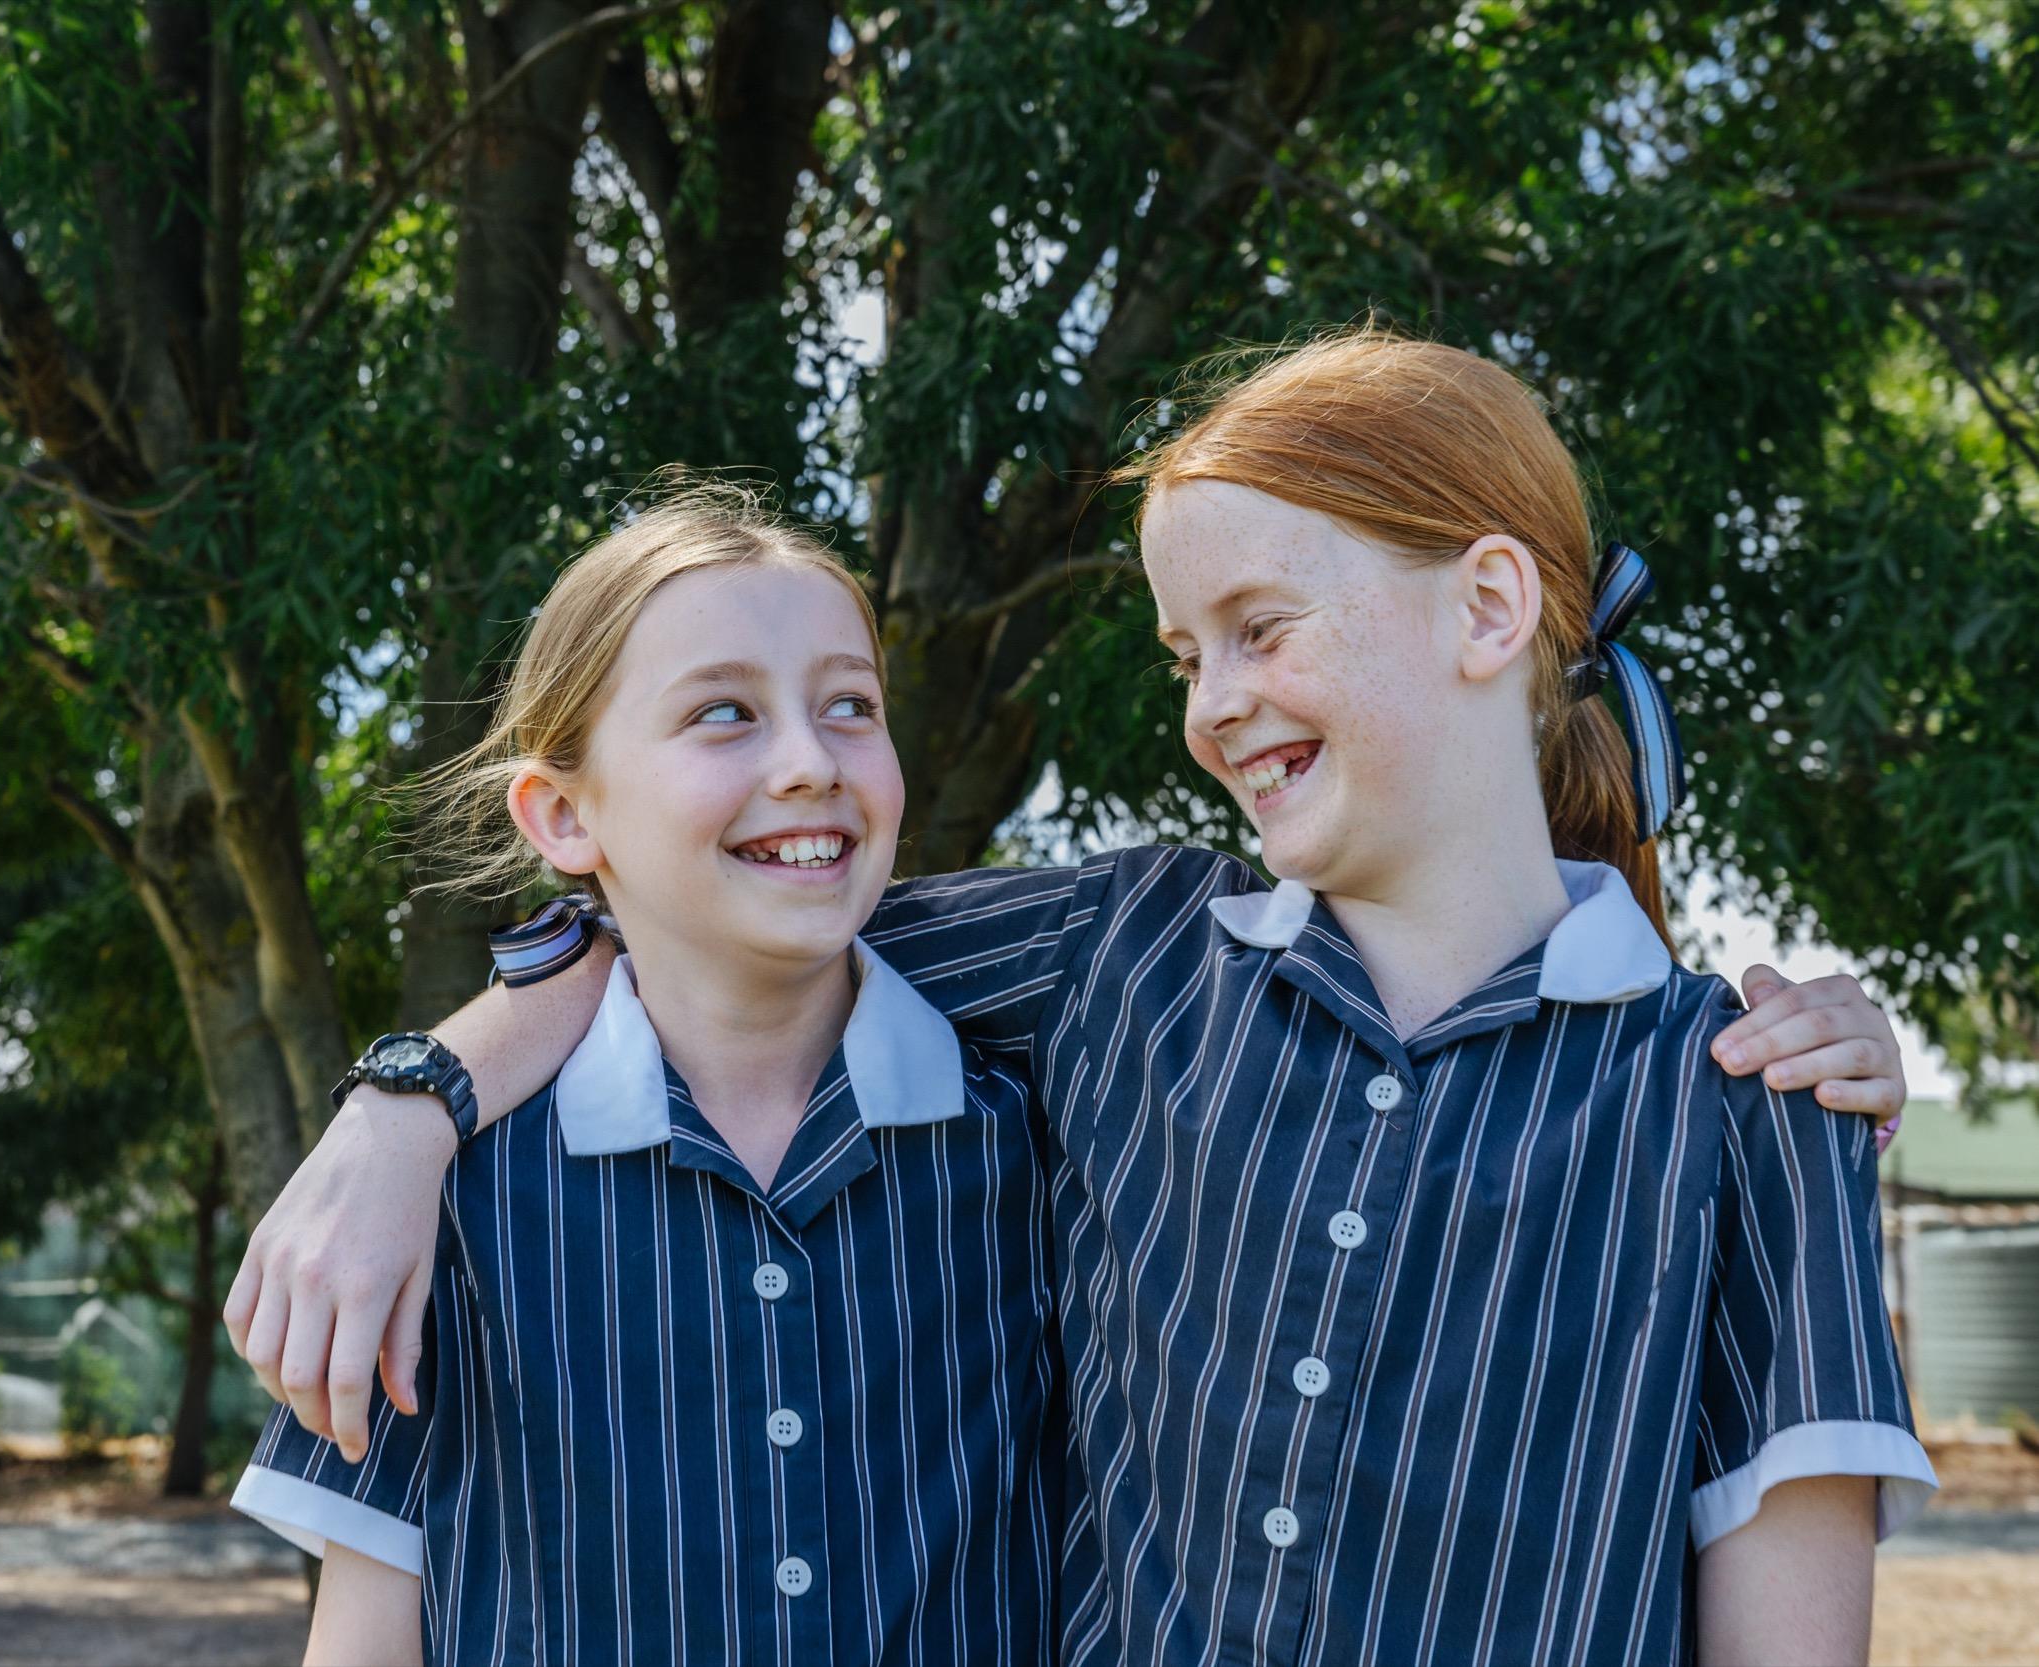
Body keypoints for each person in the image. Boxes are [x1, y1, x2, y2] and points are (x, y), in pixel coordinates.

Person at [230, 332, 1931, 1662]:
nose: (1212, 706)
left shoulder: (1744, 1101)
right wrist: (411, 1105)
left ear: (1489, 606)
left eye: (1260, 626)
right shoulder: (1121, 957)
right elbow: (716, 918)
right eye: (1188, 654)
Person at [228, 488, 1072, 1666]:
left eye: (850, 705)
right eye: (725, 712)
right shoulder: (444, 1202)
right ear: (565, 814)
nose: (806, 761)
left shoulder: (1038, 1140)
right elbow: (367, 1636)